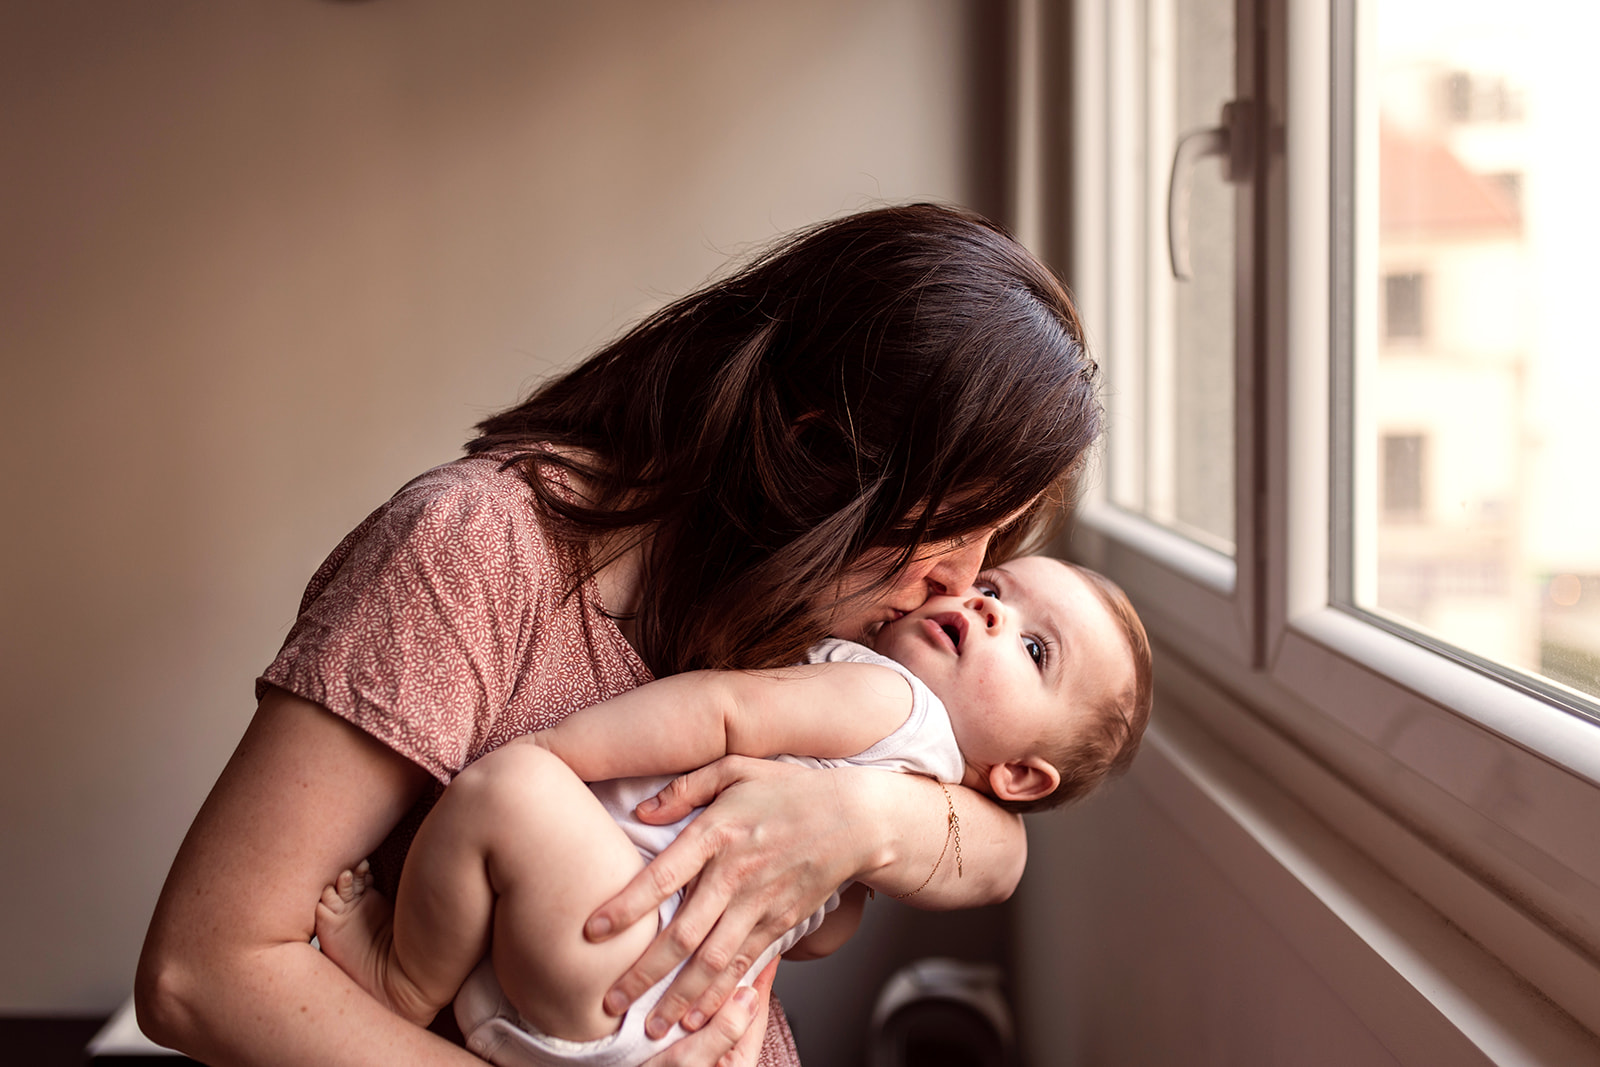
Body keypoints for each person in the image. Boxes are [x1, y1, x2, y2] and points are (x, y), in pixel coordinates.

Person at [135, 203, 1103, 1067]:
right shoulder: (475, 551)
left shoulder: (798, 612)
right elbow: (202, 969)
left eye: (992, 541)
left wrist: (861, 821)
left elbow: (997, 846)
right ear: (813, 456)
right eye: (952, 525)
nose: (964, 580)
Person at [312, 554, 1153, 1067]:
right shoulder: (908, 801)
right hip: (652, 1025)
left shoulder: (885, 698)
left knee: (504, 793)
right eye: (1000, 587)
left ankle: (400, 976)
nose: (986, 606)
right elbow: (822, 928)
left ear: (1019, 777)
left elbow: (722, 710)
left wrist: (560, 752)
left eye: (1034, 648)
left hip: (615, 947)